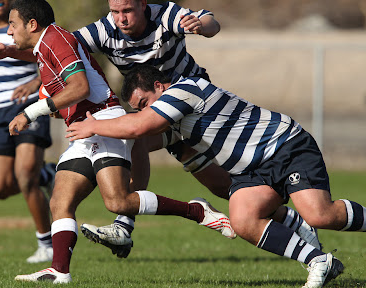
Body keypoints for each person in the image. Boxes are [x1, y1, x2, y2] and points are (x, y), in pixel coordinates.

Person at [0, 0, 320, 258]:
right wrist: (9, 51)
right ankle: (293, 223)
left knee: (157, 149)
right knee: (215, 183)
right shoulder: (105, 28)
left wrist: (202, 25)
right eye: (115, 10)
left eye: (127, 10)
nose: (121, 18)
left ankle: (125, 226)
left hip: (195, 108)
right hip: (152, 109)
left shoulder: (164, 15)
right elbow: (61, 47)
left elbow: (210, 22)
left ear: (144, 5)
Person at [65, 64, 366, 288]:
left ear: (159, 85)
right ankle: (319, 261)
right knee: (243, 220)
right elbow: (140, 137)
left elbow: (136, 127)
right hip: (252, 171)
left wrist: (95, 127)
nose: (145, 110)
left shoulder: (185, 90)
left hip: (283, 145)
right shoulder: (172, 118)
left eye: (145, 103)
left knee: (320, 215)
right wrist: (100, 147)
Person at [0, 0, 233, 283]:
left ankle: (198, 211)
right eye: (114, 11)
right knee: (60, 201)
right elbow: (69, 81)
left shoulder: (58, 39)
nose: (9, 31)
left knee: (120, 201)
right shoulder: (53, 46)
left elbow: (80, 86)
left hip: (182, 108)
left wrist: (30, 112)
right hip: (91, 127)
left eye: (12, 25)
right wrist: (8, 54)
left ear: (32, 25)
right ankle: (59, 271)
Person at [0, 0, 54, 263]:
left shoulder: (27, 23)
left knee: (25, 175)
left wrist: (35, 82)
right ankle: (48, 174)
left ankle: (46, 244)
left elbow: (49, 57)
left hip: (29, 107)